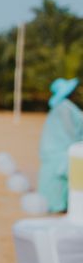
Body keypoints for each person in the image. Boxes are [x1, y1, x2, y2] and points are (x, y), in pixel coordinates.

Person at [38, 77, 83, 213]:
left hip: (54, 159)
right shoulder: (65, 108)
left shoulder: (61, 108)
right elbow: (75, 130)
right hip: (60, 158)